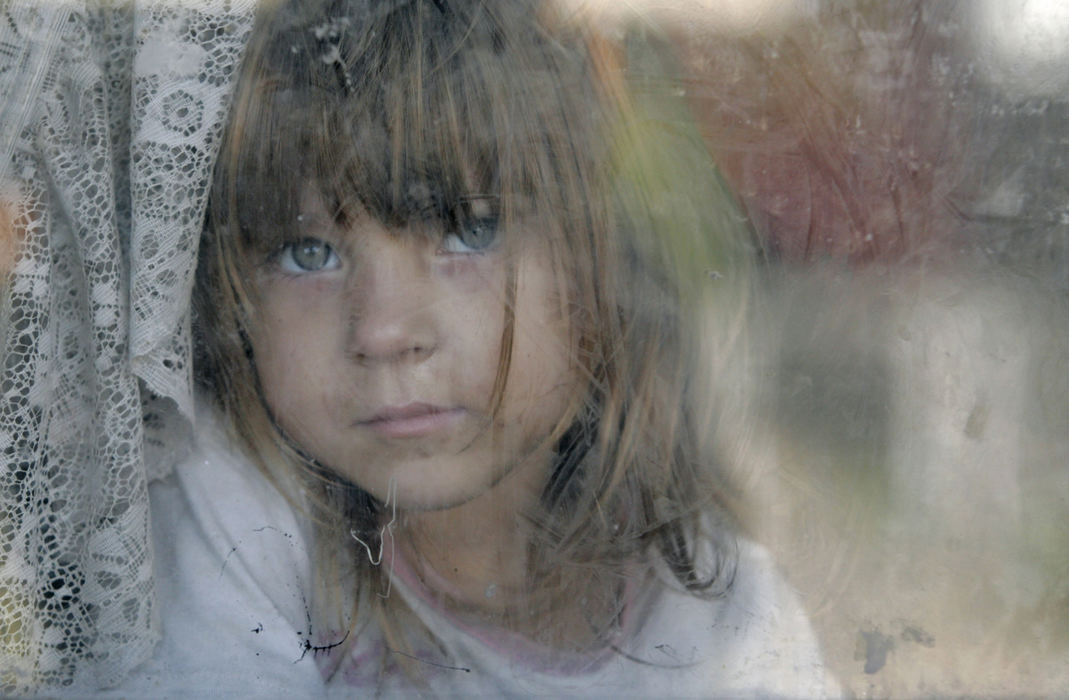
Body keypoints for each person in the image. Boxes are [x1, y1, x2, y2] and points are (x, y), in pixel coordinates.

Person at [122, 0, 832, 695]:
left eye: (470, 231)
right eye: (309, 253)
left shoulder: (713, 613)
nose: (382, 332)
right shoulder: (238, 513)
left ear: (594, 268)